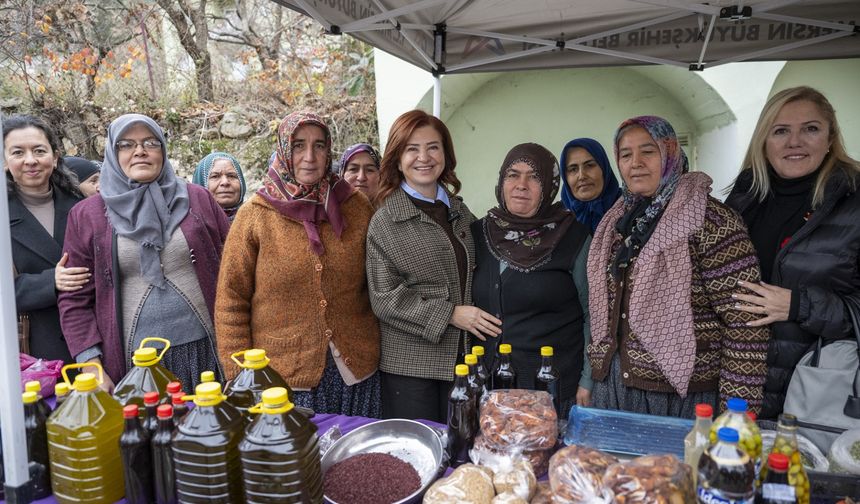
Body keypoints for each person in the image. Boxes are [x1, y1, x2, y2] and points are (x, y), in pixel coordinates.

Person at [587, 115, 769, 417]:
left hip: (681, 398)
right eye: (625, 154)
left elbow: (744, 323)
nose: (636, 163)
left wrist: (737, 416)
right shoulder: (618, 221)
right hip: (615, 388)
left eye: (648, 151)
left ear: (670, 153)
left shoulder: (710, 221)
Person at [215, 111, 381, 417]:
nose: (310, 156)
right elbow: (231, 301)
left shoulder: (356, 208)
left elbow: (378, 282)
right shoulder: (255, 216)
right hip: (282, 380)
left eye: (319, 146)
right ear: (283, 150)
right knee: (298, 463)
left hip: (358, 372)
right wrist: (239, 376)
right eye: (298, 146)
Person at [58, 113, 230, 391]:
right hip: (135, 366)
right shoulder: (86, 216)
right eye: (126, 144)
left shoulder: (197, 198)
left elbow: (235, 272)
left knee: (215, 429)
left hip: (208, 353)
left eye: (150, 142)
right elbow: (74, 300)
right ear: (113, 154)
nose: (140, 151)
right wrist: (91, 364)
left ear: (163, 149)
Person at [725, 86, 860, 419]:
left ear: (830, 138)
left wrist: (799, 305)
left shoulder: (854, 203)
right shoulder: (741, 200)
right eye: (781, 131)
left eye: (810, 129)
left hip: (819, 389)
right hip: (737, 386)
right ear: (764, 141)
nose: (794, 141)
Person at [366, 109, 502, 423]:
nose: (423, 157)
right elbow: (385, 298)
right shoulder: (385, 221)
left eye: (433, 147)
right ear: (397, 159)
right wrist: (450, 313)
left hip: (463, 357)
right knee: (420, 452)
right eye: (412, 149)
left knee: (460, 448)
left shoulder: (458, 210)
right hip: (411, 369)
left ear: (446, 154)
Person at [472, 143, 593, 415]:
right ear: (501, 181)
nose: (521, 185)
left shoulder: (573, 237)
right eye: (513, 174)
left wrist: (588, 379)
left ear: (549, 185)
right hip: (488, 384)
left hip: (549, 387)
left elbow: (593, 314)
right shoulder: (477, 233)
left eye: (534, 176)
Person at [5, 115, 87, 363]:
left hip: (91, 339)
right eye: (18, 152)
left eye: (39, 150)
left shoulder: (80, 204)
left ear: (55, 156)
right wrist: (49, 281)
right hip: (35, 349)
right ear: (5, 161)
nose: (30, 160)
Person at [559, 138, 622, 233]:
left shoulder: (629, 208)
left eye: (590, 165)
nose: (582, 176)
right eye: (573, 169)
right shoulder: (557, 219)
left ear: (604, 169)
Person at [192, 152, 247, 222]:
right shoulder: (190, 223)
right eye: (215, 176)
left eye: (231, 176)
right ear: (201, 182)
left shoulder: (258, 220)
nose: (225, 182)